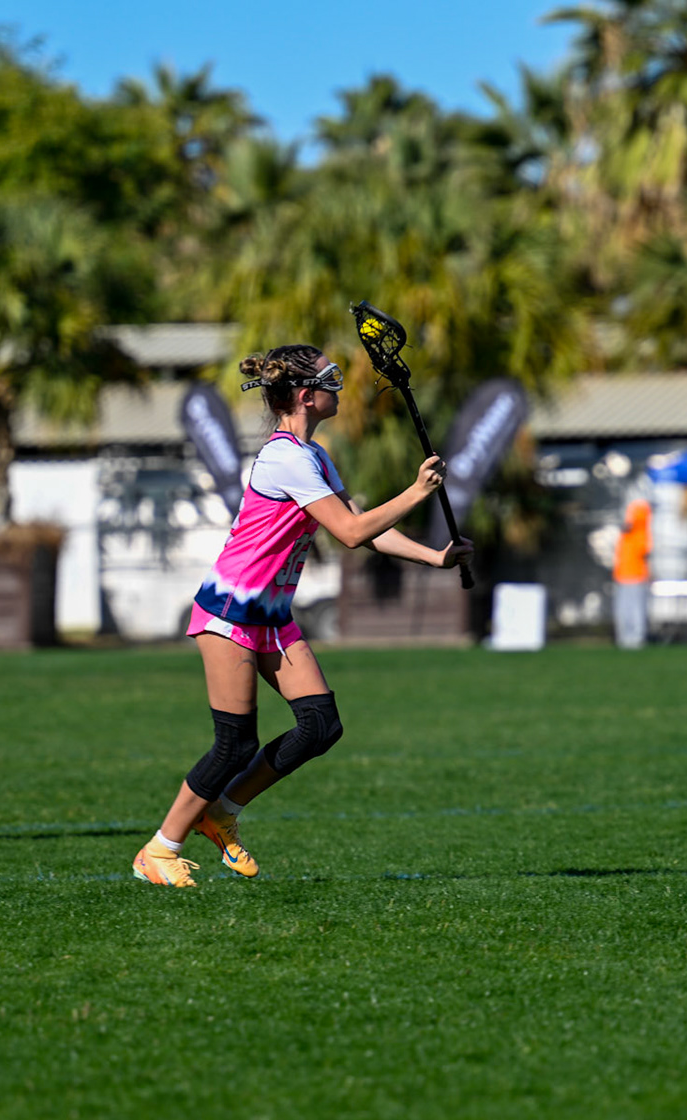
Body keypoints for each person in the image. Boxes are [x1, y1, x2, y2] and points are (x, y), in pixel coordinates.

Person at [133, 344, 473, 887]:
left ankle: (221, 813)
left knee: (320, 726)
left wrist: (434, 557)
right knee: (234, 744)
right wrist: (416, 492)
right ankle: (160, 849)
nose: (339, 387)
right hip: (231, 611)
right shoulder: (285, 458)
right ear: (306, 395)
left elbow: (361, 524)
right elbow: (350, 533)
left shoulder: (313, 456)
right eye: (330, 379)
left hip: (270, 614)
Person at [612, 498, 651, 649]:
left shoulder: (641, 534)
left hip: (636, 577)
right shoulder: (625, 536)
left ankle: (636, 638)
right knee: (623, 610)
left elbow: (644, 551)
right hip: (622, 576)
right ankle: (624, 637)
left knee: (636, 610)